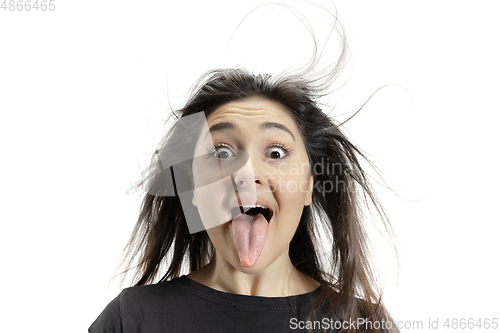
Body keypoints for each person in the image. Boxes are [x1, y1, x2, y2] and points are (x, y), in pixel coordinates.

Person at [89, 7, 398, 333]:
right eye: (221, 152)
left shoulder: (362, 325)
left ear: (309, 185)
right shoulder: (132, 318)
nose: (246, 172)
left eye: (276, 152)